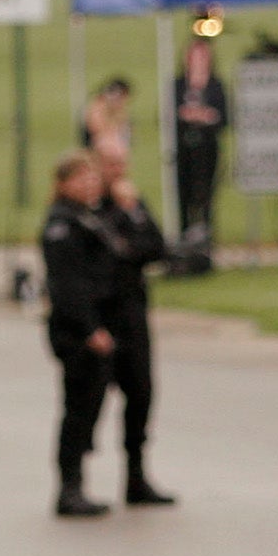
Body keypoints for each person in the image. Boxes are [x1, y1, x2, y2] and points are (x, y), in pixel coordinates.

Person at [93, 137, 176, 506]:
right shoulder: (86, 207)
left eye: (122, 163)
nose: (118, 171)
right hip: (98, 314)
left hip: (132, 312)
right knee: (89, 400)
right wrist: (127, 248)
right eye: (111, 163)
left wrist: (131, 213)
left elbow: (156, 247)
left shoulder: (131, 203)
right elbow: (105, 255)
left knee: (140, 393)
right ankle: (74, 482)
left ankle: (137, 476)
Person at [40, 150, 123, 518]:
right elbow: (68, 286)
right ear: (63, 184)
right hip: (77, 332)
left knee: (90, 408)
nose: (90, 184)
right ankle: (68, 488)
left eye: (93, 177)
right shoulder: (62, 226)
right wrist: (91, 330)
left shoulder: (88, 217)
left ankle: (77, 484)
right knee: (77, 411)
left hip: (97, 325)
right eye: (81, 178)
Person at [172, 35, 228, 251]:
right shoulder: (177, 85)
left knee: (206, 192)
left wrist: (206, 117)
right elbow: (167, 116)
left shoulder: (215, 85)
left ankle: (206, 236)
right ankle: (183, 236)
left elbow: (224, 117)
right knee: (183, 190)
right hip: (183, 147)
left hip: (207, 147)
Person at [81, 77, 133, 153]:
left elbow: (127, 130)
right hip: (97, 149)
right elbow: (96, 128)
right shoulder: (97, 107)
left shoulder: (120, 111)